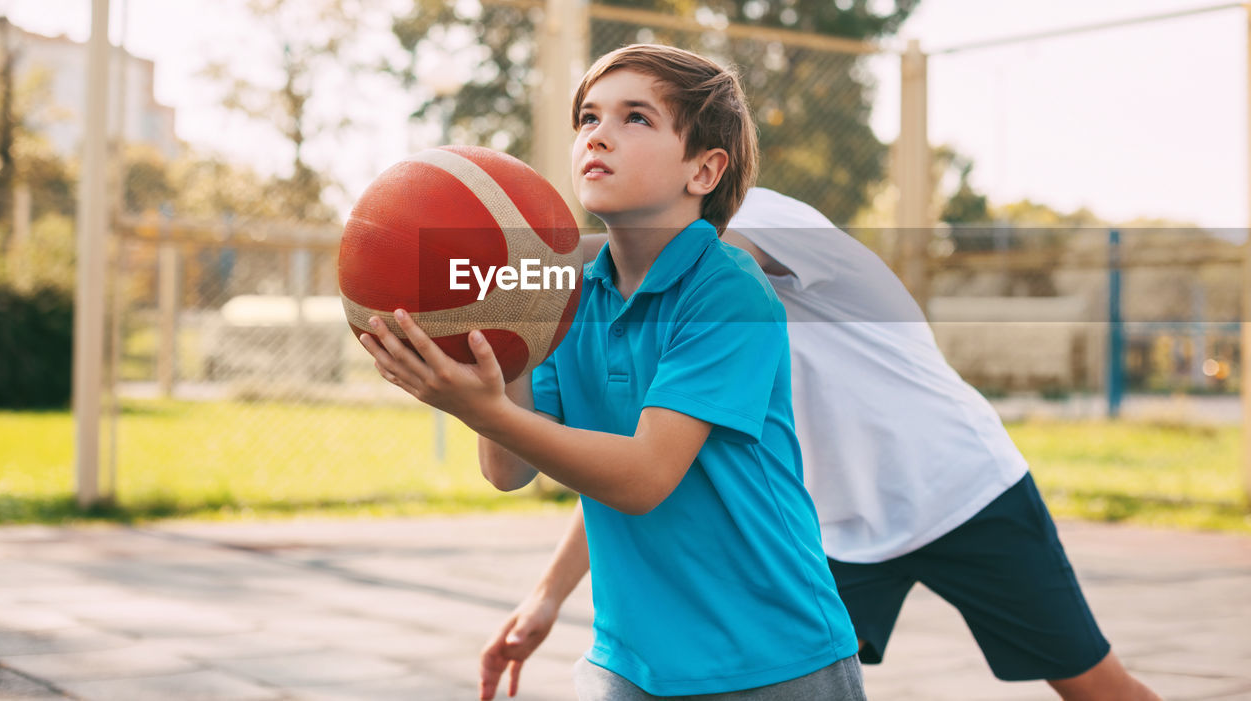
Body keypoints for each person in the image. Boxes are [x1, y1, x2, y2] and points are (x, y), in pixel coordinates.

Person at [479, 187, 1161, 701]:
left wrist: (516, 266)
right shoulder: (645, 306)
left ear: (704, 162)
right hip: (836, 529)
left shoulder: (761, 221)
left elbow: (683, 255)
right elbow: (644, 462)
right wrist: (547, 595)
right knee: (781, 662)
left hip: (957, 490)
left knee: (1094, 686)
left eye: (639, 119)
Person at [361, 45, 866, 700]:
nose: (598, 134)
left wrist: (485, 410)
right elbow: (508, 468)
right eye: (588, 117)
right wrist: (493, 364)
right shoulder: (564, 293)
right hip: (630, 659)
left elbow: (644, 475)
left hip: (769, 656)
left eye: (636, 118)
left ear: (704, 169)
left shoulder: (727, 291)